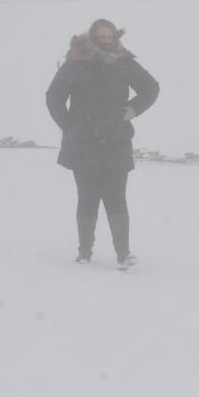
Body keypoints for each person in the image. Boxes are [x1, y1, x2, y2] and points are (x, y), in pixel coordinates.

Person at [45, 19, 160, 269]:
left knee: (117, 197)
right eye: (102, 37)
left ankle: (123, 254)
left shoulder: (123, 62)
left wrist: (134, 108)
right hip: (82, 142)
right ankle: (84, 252)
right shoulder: (76, 62)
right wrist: (68, 125)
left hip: (116, 140)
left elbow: (151, 87)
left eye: (110, 37)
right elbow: (53, 96)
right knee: (87, 197)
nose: (107, 41)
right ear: (92, 37)